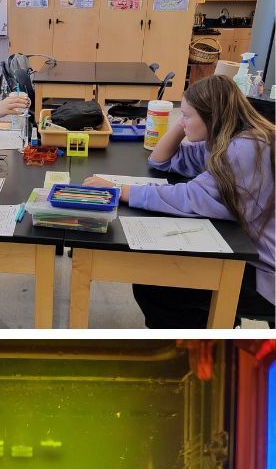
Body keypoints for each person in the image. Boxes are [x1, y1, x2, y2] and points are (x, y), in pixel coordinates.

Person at [83, 74, 274, 328]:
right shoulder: (225, 139)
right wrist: (184, 123)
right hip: (251, 254)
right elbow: (160, 160)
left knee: (156, 284)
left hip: (264, 276)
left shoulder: (246, 148)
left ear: (213, 117)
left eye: (186, 116)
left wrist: (119, 190)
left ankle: (201, 336)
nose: (181, 121)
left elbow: (191, 197)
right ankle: (219, 322)